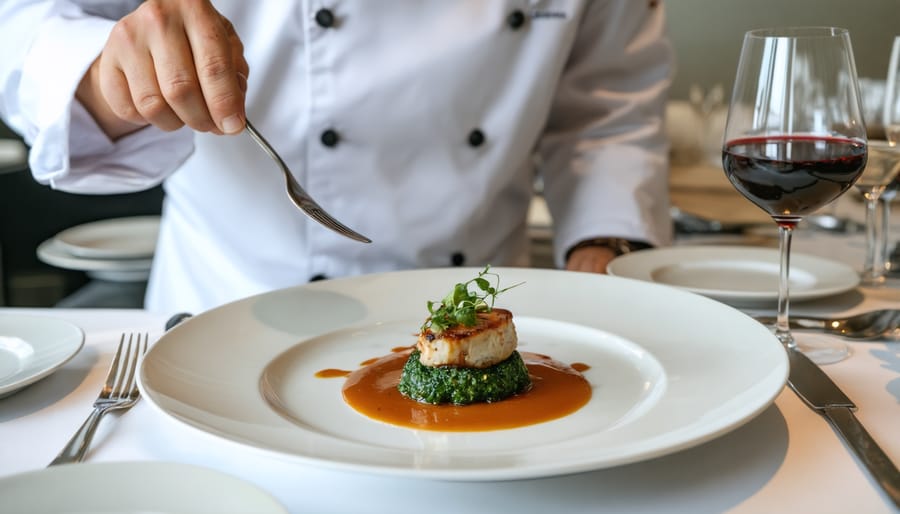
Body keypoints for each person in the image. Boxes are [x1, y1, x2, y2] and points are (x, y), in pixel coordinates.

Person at [0, 0, 674, 315]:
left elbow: (607, 109)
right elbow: (21, 26)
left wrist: (603, 249)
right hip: (238, 303)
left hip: (483, 303)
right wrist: (106, 69)